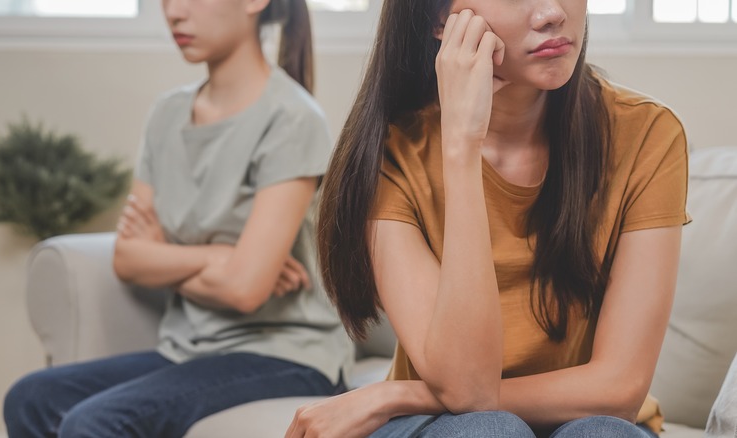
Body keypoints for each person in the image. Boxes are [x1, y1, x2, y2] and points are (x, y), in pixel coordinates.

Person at [286, 0, 690, 437]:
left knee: (601, 433)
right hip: (445, 425)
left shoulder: (648, 134)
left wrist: (395, 394)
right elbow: (467, 390)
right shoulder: (390, 156)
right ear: (441, 19)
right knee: (490, 430)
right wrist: (461, 144)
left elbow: (620, 389)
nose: (552, 12)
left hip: (582, 420)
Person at [4, 0, 353, 436]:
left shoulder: (293, 119)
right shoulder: (167, 114)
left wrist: (167, 256)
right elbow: (128, 259)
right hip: (189, 348)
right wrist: (220, 256)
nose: (174, 12)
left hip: (286, 353)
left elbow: (245, 290)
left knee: (93, 422)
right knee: (31, 397)